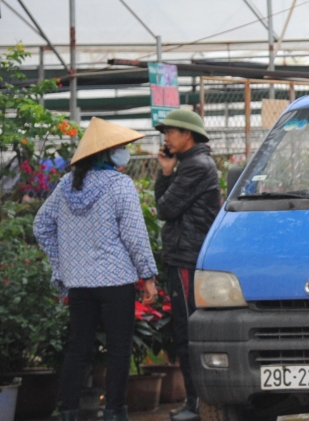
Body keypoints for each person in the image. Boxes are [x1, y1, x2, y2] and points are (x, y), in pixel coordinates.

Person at [34, 118, 159, 421]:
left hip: (79, 284)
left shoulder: (65, 187)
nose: (125, 152)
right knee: (118, 351)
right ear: (105, 153)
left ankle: (67, 411)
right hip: (115, 281)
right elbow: (134, 234)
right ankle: (114, 412)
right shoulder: (120, 185)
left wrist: (63, 263)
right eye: (120, 147)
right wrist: (149, 276)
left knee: (78, 350)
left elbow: (41, 226)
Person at [154, 109, 220, 421]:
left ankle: (197, 403)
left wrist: (166, 174)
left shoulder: (195, 165)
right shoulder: (190, 164)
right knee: (185, 330)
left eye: (170, 131)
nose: (166, 137)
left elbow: (165, 209)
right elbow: (164, 205)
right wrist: (167, 172)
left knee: (187, 331)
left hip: (187, 256)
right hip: (184, 255)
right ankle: (196, 401)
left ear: (187, 134)